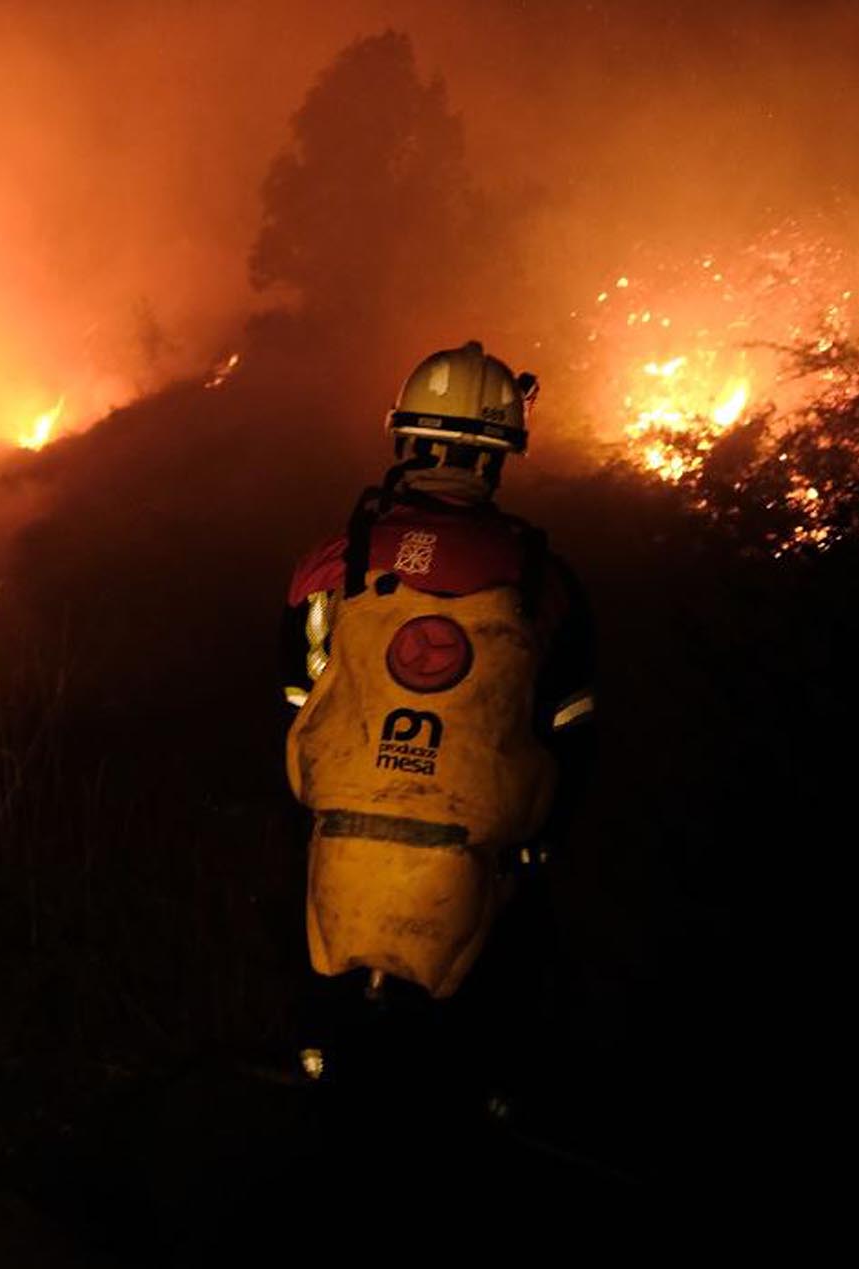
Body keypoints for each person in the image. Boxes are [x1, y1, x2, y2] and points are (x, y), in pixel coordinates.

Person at [279, 341, 596, 1131]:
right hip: (477, 854)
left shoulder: (334, 563)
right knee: (510, 1014)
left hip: (340, 841)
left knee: (312, 1010)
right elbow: (569, 725)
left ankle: (306, 1081)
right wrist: (543, 837)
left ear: (405, 438)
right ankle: (497, 1110)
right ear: (499, 457)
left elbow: (297, 695)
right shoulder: (542, 581)